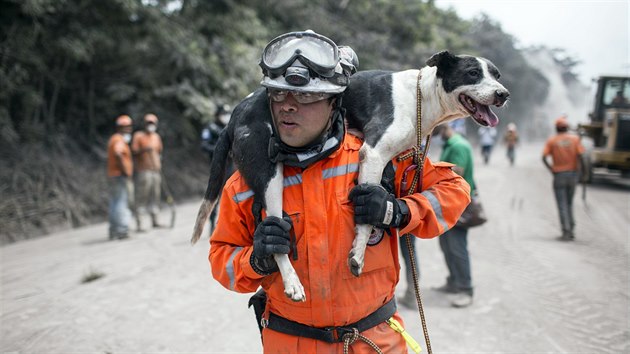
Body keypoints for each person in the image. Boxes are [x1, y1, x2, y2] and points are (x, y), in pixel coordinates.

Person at [208, 30, 471, 353]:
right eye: (278, 95)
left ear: (335, 102)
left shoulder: (379, 158)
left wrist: (398, 211)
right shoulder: (247, 184)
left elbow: (453, 191)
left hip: (373, 342)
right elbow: (223, 259)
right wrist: (257, 260)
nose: (287, 107)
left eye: (305, 97)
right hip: (291, 344)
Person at [433, 122, 477, 308]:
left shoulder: (458, 146)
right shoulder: (450, 145)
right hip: (448, 203)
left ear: (444, 128)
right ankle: (453, 281)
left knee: (457, 246)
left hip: (458, 204)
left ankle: (466, 289)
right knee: (446, 244)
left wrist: (430, 172)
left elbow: (456, 173)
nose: (436, 137)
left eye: (437, 132)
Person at [542, 116, 585, 241]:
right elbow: (581, 156)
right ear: (567, 127)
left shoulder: (552, 141)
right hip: (573, 175)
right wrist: (582, 174)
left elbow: (544, 157)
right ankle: (571, 229)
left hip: (559, 176)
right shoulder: (575, 139)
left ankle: (566, 231)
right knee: (569, 203)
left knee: (562, 204)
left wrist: (551, 170)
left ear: (556, 128)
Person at [131, 113, 164, 230]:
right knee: (142, 197)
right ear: (144, 124)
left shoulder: (156, 137)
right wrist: (144, 150)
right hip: (143, 171)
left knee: (155, 195)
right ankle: (140, 223)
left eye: (152, 123)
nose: (151, 125)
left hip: (156, 170)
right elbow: (134, 151)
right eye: (148, 123)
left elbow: (159, 152)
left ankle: (155, 220)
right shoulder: (138, 136)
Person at [107, 115, 134, 240]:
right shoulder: (119, 140)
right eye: (125, 127)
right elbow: (118, 154)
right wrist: (125, 171)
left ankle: (113, 230)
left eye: (129, 127)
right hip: (120, 176)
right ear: (119, 128)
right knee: (121, 203)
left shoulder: (114, 138)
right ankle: (122, 230)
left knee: (114, 203)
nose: (128, 130)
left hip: (113, 175)